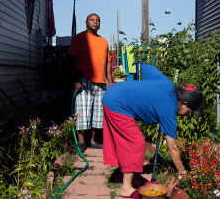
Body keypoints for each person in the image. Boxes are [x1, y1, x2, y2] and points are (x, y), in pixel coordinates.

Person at [101, 63, 203, 199]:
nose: (186, 114)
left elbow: (146, 67)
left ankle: (131, 178)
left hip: (113, 93)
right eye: (189, 111)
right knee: (135, 143)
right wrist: (182, 172)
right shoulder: (170, 111)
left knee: (124, 142)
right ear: (184, 103)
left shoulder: (166, 83)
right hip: (118, 104)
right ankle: (126, 188)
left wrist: (142, 88)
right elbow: (172, 148)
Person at [67, 13, 112, 152]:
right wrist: (74, 80)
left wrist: (110, 82)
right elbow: (70, 59)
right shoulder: (79, 38)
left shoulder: (104, 41)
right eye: (92, 20)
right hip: (84, 81)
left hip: (100, 82)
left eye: (98, 20)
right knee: (81, 112)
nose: (95, 22)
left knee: (98, 113)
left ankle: (92, 141)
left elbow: (108, 63)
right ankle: (81, 142)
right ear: (86, 22)